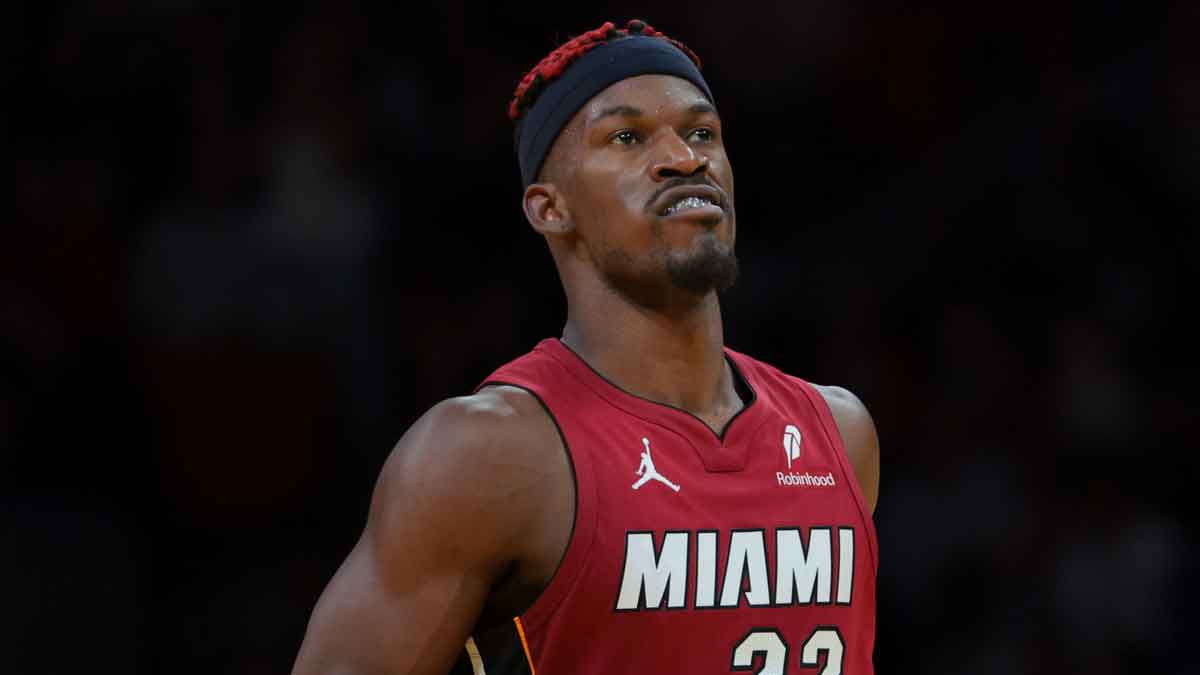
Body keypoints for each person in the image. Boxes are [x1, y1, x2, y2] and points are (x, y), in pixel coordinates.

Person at [292, 19, 880, 674]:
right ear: (550, 208)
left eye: (701, 132)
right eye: (627, 137)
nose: (686, 158)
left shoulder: (840, 434)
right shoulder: (486, 454)